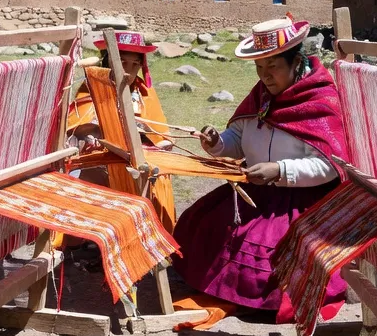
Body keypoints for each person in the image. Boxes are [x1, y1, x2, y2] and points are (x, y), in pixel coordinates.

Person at [172, 17, 349, 313]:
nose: (265, 76)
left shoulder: (322, 101)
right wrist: (217, 142)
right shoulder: (262, 95)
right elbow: (239, 137)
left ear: (296, 62)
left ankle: (255, 300)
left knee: (266, 249)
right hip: (256, 191)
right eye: (259, 68)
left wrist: (279, 170)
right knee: (204, 224)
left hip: (301, 200)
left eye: (273, 67)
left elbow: (329, 165)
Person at [66, 30, 177, 231]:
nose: (129, 69)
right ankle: (93, 235)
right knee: (100, 173)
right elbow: (79, 128)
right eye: (123, 62)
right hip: (103, 154)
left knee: (157, 173)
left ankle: (150, 233)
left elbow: (161, 134)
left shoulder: (144, 91)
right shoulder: (92, 86)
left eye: (135, 64)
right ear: (109, 61)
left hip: (138, 155)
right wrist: (95, 134)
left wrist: (159, 144)